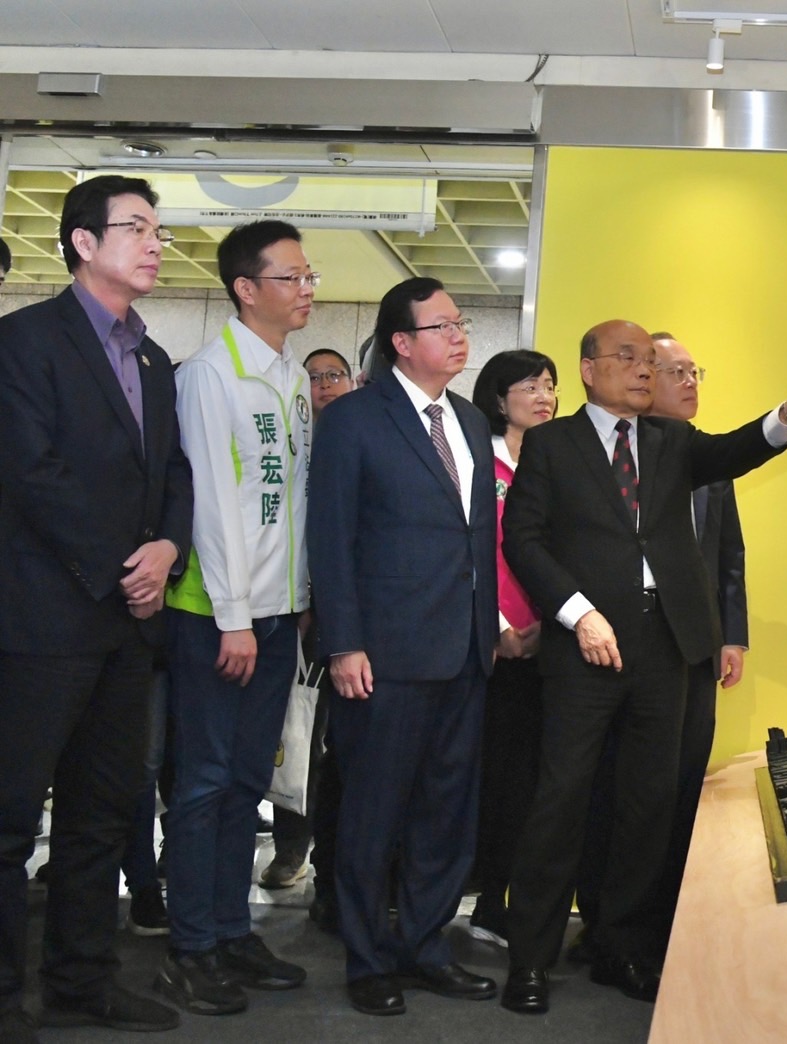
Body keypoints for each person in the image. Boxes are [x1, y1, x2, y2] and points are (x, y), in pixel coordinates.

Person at [499, 319, 787, 1014]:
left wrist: (786, 416)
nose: (643, 369)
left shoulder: (669, 441)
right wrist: (578, 613)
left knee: (647, 803)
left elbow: (734, 451)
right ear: (589, 369)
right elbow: (523, 540)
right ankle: (530, 959)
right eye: (628, 357)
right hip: (586, 647)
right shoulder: (552, 445)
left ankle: (621, 946)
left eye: (649, 361)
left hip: (667, 647)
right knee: (561, 799)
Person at [0, 174, 192, 1039]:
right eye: (136, 228)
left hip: (127, 623)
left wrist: (169, 549)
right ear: (83, 243)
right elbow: (30, 470)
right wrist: (124, 564)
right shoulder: (23, 341)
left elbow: (173, 473)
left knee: (101, 813)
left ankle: (82, 981)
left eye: (158, 230)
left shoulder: (153, 358)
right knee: (11, 819)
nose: (155, 244)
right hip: (42, 617)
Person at [307, 277, 499, 1017]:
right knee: (372, 815)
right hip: (384, 656)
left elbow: (475, 538)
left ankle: (424, 945)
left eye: (460, 322)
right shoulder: (355, 419)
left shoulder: (470, 421)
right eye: (442, 325)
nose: (458, 335)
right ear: (401, 342)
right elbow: (332, 538)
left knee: (445, 814)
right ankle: (367, 958)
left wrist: (492, 627)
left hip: (465, 650)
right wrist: (343, 643)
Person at [157, 220, 316, 1016]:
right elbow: (213, 505)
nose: (306, 289)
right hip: (219, 616)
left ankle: (230, 930)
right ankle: (190, 945)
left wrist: (299, 600)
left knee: (249, 781)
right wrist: (233, 616)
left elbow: (290, 501)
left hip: (277, 613)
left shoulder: (290, 376)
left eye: (309, 276)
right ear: (246, 290)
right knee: (205, 782)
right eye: (290, 277)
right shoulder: (210, 375)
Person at [569, 331, 749, 964]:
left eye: (694, 371)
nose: (688, 382)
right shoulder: (613, 457)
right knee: (621, 789)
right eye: (675, 371)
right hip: (625, 648)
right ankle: (608, 920)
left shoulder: (705, 459)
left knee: (680, 782)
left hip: (695, 647)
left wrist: (732, 635)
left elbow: (729, 554)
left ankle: (664, 915)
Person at [466, 350, 555, 948]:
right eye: (530, 386)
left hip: (547, 643)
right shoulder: (478, 462)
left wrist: (551, 623)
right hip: (485, 644)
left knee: (527, 782)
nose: (544, 396)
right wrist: (496, 625)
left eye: (550, 385)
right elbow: (471, 553)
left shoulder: (558, 465)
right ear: (499, 399)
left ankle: (501, 899)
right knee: (482, 777)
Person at [262, 348, 353, 900]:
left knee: (343, 745)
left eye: (334, 375)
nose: (324, 385)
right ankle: (291, 847)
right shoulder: (291, 445)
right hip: (298, 611)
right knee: (296, 735)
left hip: (355, 615)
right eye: (314, 377)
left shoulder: (365, 437)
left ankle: (333, 861)